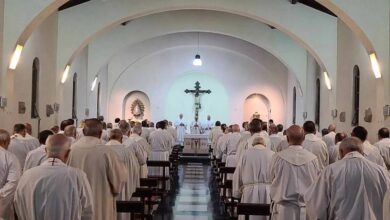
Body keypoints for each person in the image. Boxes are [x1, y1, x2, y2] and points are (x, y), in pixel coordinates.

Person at [305, 137, 390, 220]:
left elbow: (317, 204)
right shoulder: (381, 171)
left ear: (341, 152)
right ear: (362, 152)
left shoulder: (331, 171)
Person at [14, 134, 93, 220]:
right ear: (68, 153)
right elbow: (87, 210)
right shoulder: (78, 176)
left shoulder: (27, 175)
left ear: (45, 150)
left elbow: (18, 204)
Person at [67, 118, 127, 220]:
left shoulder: (70, 150)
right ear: (100, 133)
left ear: (83, 132)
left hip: (75, 202)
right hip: (101, 202)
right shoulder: (107, 152)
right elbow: (119, 179)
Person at [269, 125, 320, 220]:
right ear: (304, 138)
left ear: (287, 138)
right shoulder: (313, 159)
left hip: (284, 211)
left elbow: (272, 179)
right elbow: (317, 183)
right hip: (306, 210)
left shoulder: (278, 157)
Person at [233, 136, 274, 220]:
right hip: (268, 192)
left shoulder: (245, 153)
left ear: (252, 144)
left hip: (249, 192)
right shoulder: (272, 154)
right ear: (265, 144)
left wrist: (237, 193)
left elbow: (238, 174)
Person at [106, 129, 140, 208]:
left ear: (109, 138)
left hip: (106, 189)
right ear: (121, 139)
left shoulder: (102, 150)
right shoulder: (127, 152)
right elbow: (135, 170)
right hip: (123, 188)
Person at [0, 129, 21, 220]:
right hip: (2, 199)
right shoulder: (10, 157)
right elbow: (14, 181)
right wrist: (1, 193)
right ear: (5, 142)